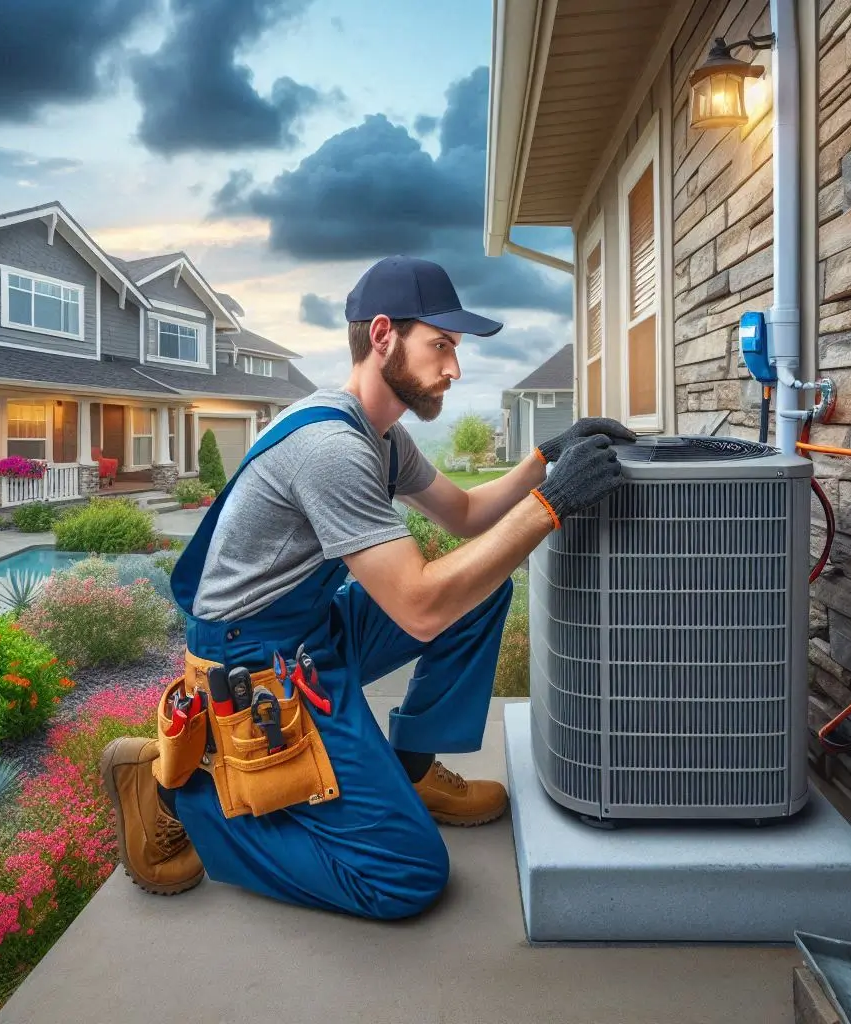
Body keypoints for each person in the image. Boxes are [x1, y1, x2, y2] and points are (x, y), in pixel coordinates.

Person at [100, 255, 634, 921]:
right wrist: (551, 505)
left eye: (455, 349)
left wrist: (542, 461)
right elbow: (417, 605)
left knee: (484, 589)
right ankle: (185, 797)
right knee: (406, 878)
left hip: (312, 625)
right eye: (440, 345)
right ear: (383, 335)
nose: (454, 368)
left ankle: (409, 769)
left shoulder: (380, 437)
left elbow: (465, 516)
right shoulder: (334, 448)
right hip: (254, 656)